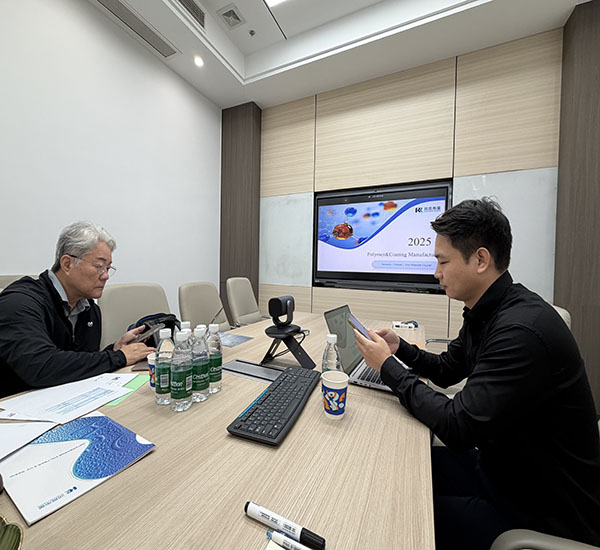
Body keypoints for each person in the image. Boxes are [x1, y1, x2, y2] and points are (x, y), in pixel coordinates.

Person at [354, 199, 600, 549]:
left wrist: (386, 367)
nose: (436, 273)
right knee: (394, 473)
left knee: (393, 513)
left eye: (443, 262)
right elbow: (446, 369)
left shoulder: (520, 331)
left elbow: (457, 427)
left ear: (480, 260)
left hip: (537, 512)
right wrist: (400, 349)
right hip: (501, 471)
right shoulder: (487, 311)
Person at [0, 221, 154, 398]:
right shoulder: (20, 302)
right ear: (67, 264)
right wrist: (119, 357)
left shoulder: (89, 309)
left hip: (62, 402)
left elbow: (76, 364)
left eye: (108, 268)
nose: (105, 276)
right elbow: (40, 366)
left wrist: (114, 350)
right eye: (99, 266)